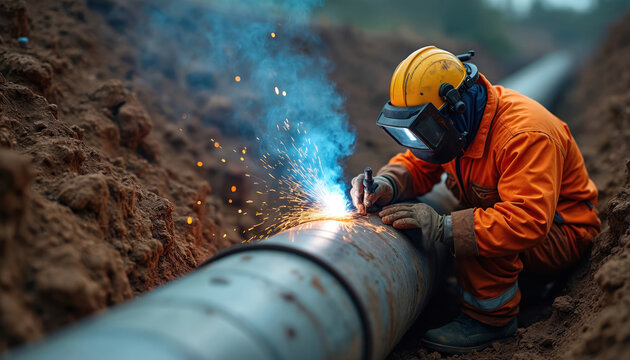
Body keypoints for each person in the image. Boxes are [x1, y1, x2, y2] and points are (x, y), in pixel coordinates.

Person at [350, 46, 600, 354]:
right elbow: (419, 162)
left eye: (424, 130)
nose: (421, 141)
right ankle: (525, 284)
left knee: (471, 224)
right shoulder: (457, 125)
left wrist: (444, 227)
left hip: (562, 231)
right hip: (529, 222)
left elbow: (527, 220)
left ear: (457, 106)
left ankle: (490, 320)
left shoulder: (523, 135)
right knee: (470, 218)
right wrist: (388, 183)